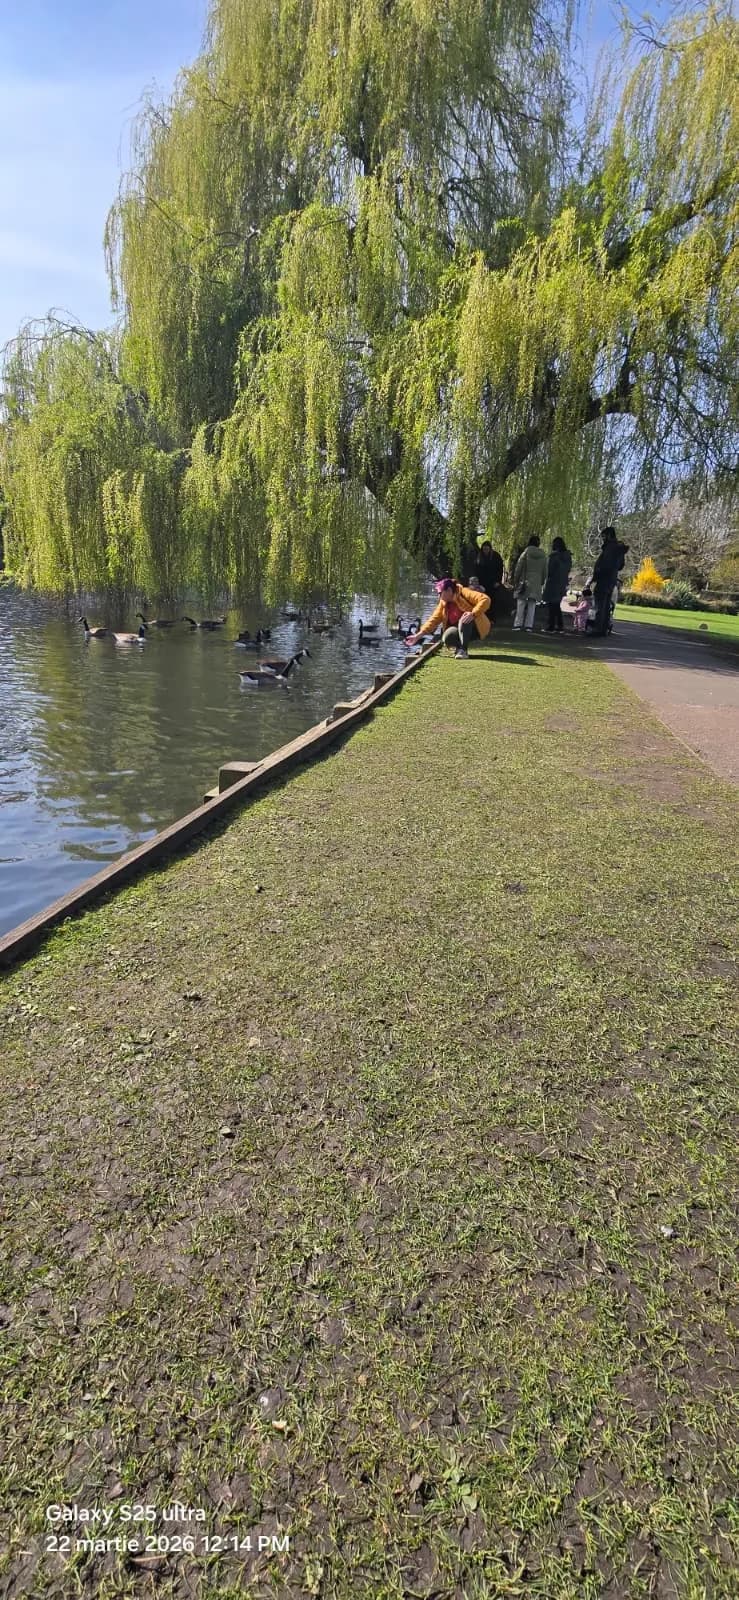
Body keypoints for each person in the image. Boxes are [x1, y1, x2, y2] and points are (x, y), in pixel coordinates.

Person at [406, 578, 491, 658]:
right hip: (459, 629)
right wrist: (417, 636)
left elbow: (485, 599)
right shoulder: (443, 603)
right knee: (447, 636)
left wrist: (473, 614)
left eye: (440, 593)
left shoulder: (464, 592)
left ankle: (463, 651)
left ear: (449, 590)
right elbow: (433, 620)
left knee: (465, 617)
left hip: (476, 628)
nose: (438, 596)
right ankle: (458, 648)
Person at [592, 527, 628, 636]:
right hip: (611, 579)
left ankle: (598, 629)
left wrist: (597, 573)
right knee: (606, 604)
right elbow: (621, 565)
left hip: (604, 578)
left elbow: (605, 565)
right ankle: (603, 628)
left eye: (603, 536)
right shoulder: (618, 549)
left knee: (600, 604)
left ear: (608, 535)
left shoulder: (610, 548)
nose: (602, 539)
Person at [512, 535, 547, 631]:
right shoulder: (543, 555)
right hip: (536, 582)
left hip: (524, 580)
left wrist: (516, 579)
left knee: (521, 603)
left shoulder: (525, 553)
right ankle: (529, 626)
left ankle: (518, 624)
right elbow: (545, 571)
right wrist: (542, 581)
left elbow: (519, 567)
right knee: (532, 605)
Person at [542, 536, 572, 633]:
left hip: (553, 583)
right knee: (556, 605)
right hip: (562, 583)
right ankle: (559, 626)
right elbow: (568, 570)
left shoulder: (554, 557)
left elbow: (549, 571)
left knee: (551, 605)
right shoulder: (567, 557)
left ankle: (551, 626)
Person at [474, 538, 505, 612]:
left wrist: (498, 581)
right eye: (484, 549)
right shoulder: (479, 557)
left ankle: (492, 618)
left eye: (487, 549)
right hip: (482, 582)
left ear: (490, 549)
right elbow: (476, 570)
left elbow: (500, 569)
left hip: (493, 582)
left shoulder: (496, 556)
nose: (485, 551)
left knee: (492, 600)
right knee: (482, 599)